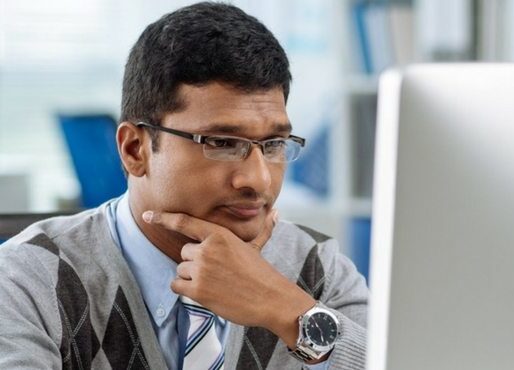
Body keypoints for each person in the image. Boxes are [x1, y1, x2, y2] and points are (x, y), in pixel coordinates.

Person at [0, 2, 367, 369]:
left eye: (272, 145)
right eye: (221, 143)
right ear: (135, 149)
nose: (259, 179)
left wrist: (288, 312)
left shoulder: (318, 268)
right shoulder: (27, 279)